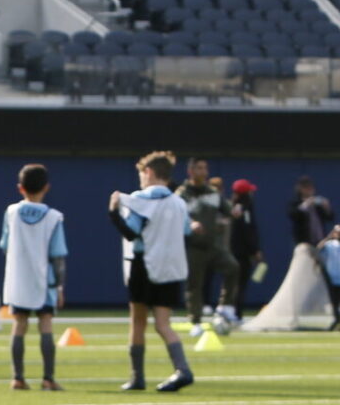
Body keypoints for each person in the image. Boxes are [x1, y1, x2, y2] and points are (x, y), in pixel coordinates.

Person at [110, 151, 195, 392]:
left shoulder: (140, 200)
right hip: (170, 267)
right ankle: (183, 369)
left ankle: (137, 377)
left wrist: (113, 212)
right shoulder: (179, 202)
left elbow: (131, 232)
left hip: (144, 265)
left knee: (138, 322)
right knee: (163, 323)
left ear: (148, 172)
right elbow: (187, 231)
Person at [0, 164, 67, 391]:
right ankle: (48, 378)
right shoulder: (54, 217)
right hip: (43, 280)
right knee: (45, 324)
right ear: (46, 187)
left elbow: (5, 245)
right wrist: (58, 287)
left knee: (19, 325)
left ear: (20, 188)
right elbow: (58, 256)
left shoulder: (11, 212)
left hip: (18, 279)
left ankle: (17, 378)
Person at [176, 158, 240, 333]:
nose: (203, 172)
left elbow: (228, 210)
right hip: (193, 246)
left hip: (213, 245)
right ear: (190, 171)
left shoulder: (212, 192)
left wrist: (234, 211)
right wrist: (190, 225)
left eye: (205, 168)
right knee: (194, 285)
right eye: (199, 168)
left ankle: (225, 306)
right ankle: (195, 322)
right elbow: (176, 217)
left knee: (233, 267)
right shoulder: (181, 194)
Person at [228, 179, 263, 313]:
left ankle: (232, 311)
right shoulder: (244, 208)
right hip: (241, 253)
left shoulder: (232, 206)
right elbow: (247, 231)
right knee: (239, 284)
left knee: (235, 283)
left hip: (233, 251)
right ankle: (236, 313)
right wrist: (255, 250)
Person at [289, 176, 333, 246]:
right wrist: (306, 204)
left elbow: (330, 218)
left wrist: (327, 208)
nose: (310, 190)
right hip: (303, 242)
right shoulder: (295, 203)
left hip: (320, 241)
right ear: (300, 189)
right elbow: (293, 215)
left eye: (311, 187)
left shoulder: (318, 204)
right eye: (306, 188)